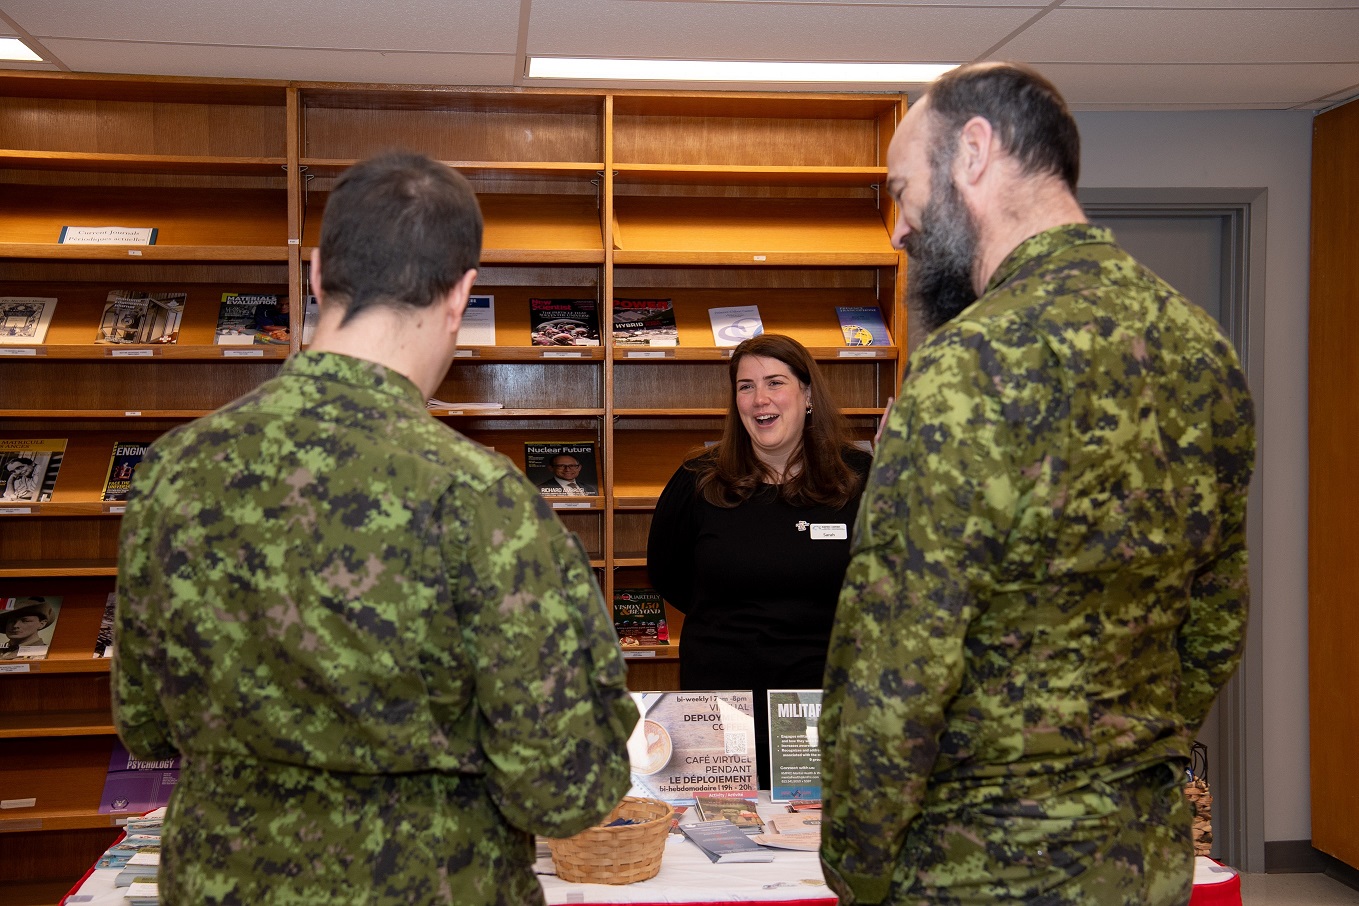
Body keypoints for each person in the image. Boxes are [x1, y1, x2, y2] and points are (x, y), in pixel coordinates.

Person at [112, 152, 638, 906]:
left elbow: (145, 723)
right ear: (461, 293)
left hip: (217, 882)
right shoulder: (480, 500)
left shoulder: (171, 470)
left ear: (320, 274)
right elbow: (563, 789)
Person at [819, 62, 1256, 906]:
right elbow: (1214, 620)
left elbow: (899, 661)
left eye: (902, 190)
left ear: (973, 153)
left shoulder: (968, 365)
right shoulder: (1201, 349)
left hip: (977, 863)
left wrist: (857, 864)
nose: (899, 228)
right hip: (1140, 854)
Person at [647, 333, 872, 789]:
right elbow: (666, 573)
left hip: (821, 703)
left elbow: (883, 585)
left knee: (814, 834)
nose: (759, 399)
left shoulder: (859, 478)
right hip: (719, 702)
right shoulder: (697, 479)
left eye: (775, 382)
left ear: (807, 395)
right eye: (745, 386)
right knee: (715, 835)